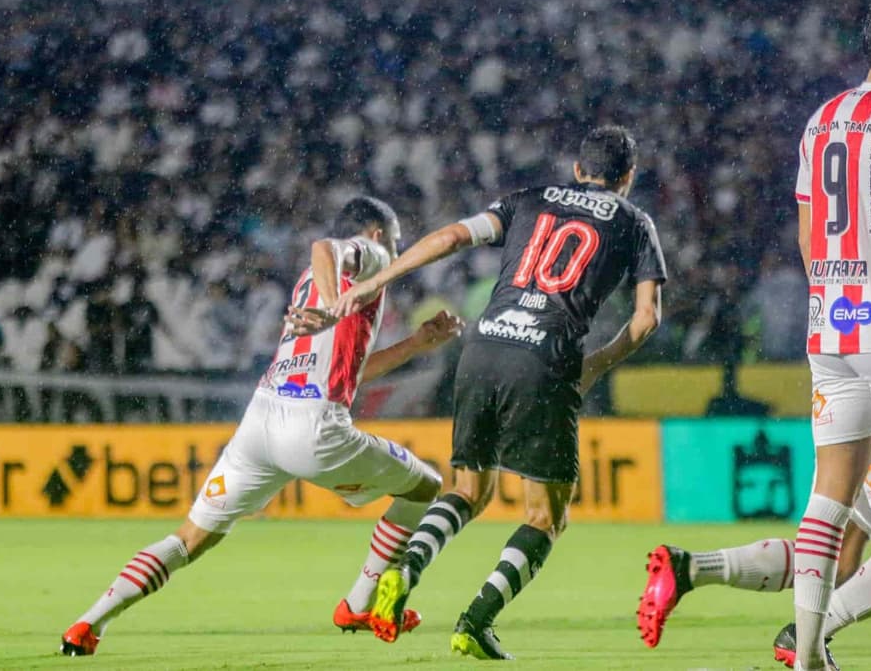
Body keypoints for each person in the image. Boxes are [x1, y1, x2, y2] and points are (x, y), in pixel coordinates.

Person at [59, 196, 463, 656]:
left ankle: (88, 624)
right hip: (314, 425)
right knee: (424, 486)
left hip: (261, 421)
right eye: (395, 240)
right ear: (376, 234)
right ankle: (358, 603)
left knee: (189, 538)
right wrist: (337, 306)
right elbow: (325, 246)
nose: (397, 250)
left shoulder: (311, 284)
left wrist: (416, 343)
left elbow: (351, 372)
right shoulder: (370, 257)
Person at [332, 125, 667, 659]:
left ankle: (406, 568)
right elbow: (646, 318)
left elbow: (450, 237)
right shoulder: (634, 222)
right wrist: (596, 365)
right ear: (628, 176)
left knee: (468, 490)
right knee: (546, 517)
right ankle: (476, 621)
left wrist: (376, 281)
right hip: (545, 357)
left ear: (578, 170)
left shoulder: (528, 199)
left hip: (482, 347)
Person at [788, 0, 871, 671]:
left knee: (828, 499)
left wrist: (837, 297)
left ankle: (808, 654)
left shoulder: (822, 119)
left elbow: (809, 234)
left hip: (831, 329)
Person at [638, 426, 871, 669]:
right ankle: (807, 637)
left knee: (840, 562)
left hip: (860, 414)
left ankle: (691, 569)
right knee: (837, 552)